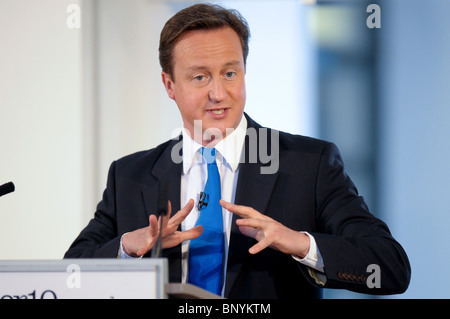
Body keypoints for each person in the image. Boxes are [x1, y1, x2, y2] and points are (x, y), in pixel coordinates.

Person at [64, 4, 410, 298]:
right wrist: (129, 246)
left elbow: (389, 265)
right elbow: (71, 275)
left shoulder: (309, 165)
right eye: (200, 78)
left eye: (230, 73)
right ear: (169, 85)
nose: (219, 93)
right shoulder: (130, 175)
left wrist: (301, 244)